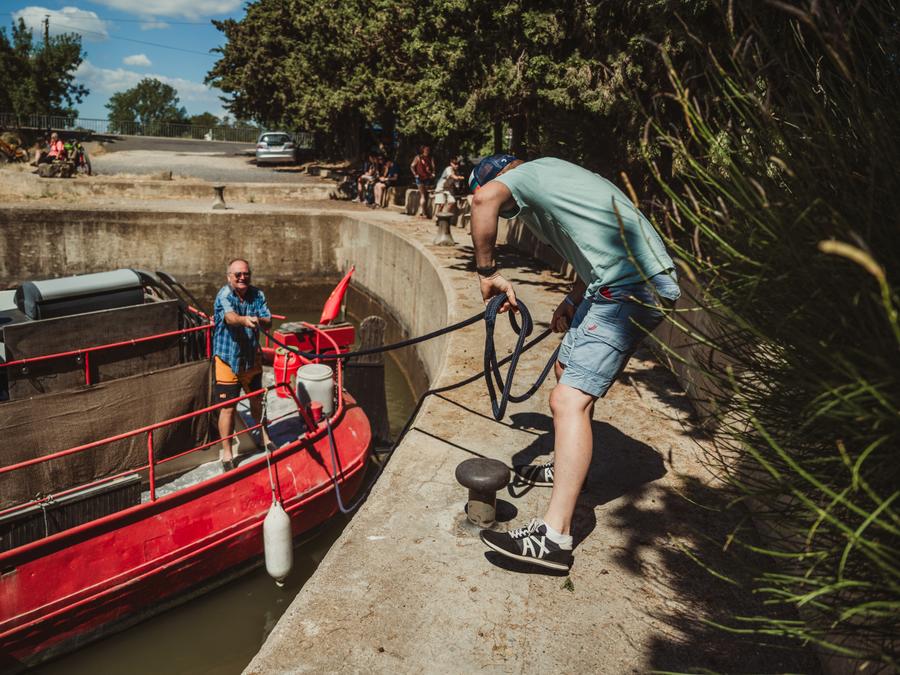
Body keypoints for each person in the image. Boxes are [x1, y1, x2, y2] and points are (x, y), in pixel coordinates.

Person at [469, 154, 681, 572]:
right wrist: (572, 299)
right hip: (614, 282)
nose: (513, 214)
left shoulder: (525, 177)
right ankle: (564, 471)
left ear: (505, 177)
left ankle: (554, 537)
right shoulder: (556, 180)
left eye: (511, 210)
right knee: (567, 375)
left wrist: (487, 272)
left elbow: (482, 201)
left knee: (568, 401)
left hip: (629, 286)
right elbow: (594, 243)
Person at [213, 258, 272, 471]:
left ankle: (265, 437)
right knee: (228, 408)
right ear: (229, 277)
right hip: (227, 360)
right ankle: (227, 454)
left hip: (251, 360)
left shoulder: (258, 295)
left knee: (258, 400)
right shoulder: (224, 295)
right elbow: (230, 317)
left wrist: (257, 319)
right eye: (237, 274)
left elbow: (269, 319)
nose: (242, 277)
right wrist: (244, 320)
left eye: (245, 273)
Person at [433, 155, 465, 220]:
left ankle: (444, 217)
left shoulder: (457, 172)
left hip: (449, 189)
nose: (457, 166)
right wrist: (459, 178)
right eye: (455, 164)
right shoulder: (448, 169)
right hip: (441, 188)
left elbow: (457, 184)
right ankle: (437, 217)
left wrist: (459, 187)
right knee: (441, 204)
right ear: (451, 163)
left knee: (452, 201)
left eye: (458, 164)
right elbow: (453, 176)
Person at [409, 145, 435, 218]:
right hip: (421, 178)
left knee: (424, 195)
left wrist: (432, 174)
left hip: (425, 178)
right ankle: (423, 212)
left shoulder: (427, 158)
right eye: (426, 149)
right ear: (423, 150)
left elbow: (433, 167)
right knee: (423, 195)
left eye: (428, 150)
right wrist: (415, 174)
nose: (427, 151)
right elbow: (412, 166)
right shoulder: (419, 157)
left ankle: (422, 211)